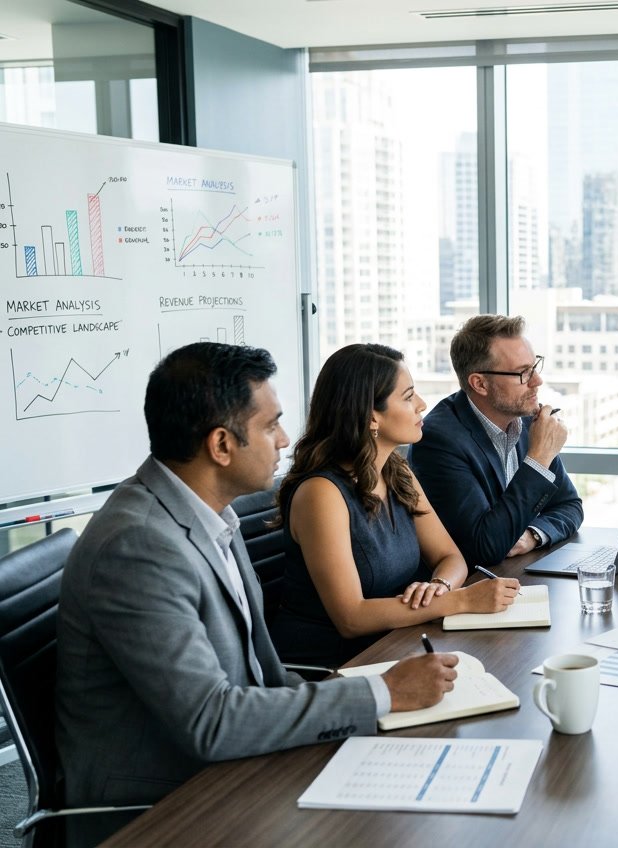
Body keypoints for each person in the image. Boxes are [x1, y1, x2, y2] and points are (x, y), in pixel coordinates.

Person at [56, 343, 460, 842]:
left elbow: (264, 674)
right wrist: (382, 692)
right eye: (270, 426)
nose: (286, 439)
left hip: (235, 759)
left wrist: (373, 705)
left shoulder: (211, 517)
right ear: (222, 445)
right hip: (165, 802)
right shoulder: (139, 545)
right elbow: (211, 722)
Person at [271, 343, 520, 667]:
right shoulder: (321, 493)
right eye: (408, 397)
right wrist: (458, 601)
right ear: (371, 416)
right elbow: (351, 617)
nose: (421, 404)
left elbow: (450, 557)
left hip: (396, 645)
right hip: (332, 669)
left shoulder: (395, 471)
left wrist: (439, 588)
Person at [409, 315, 583, 567]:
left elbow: (570, 506)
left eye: (534, 367)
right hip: (472, 587)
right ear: (479, 383)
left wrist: (533, 535)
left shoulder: (524, 419)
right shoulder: (439, 441)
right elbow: (484, 547)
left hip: (518, 573)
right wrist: (539, 458)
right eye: (523, 373)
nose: (537, 381)